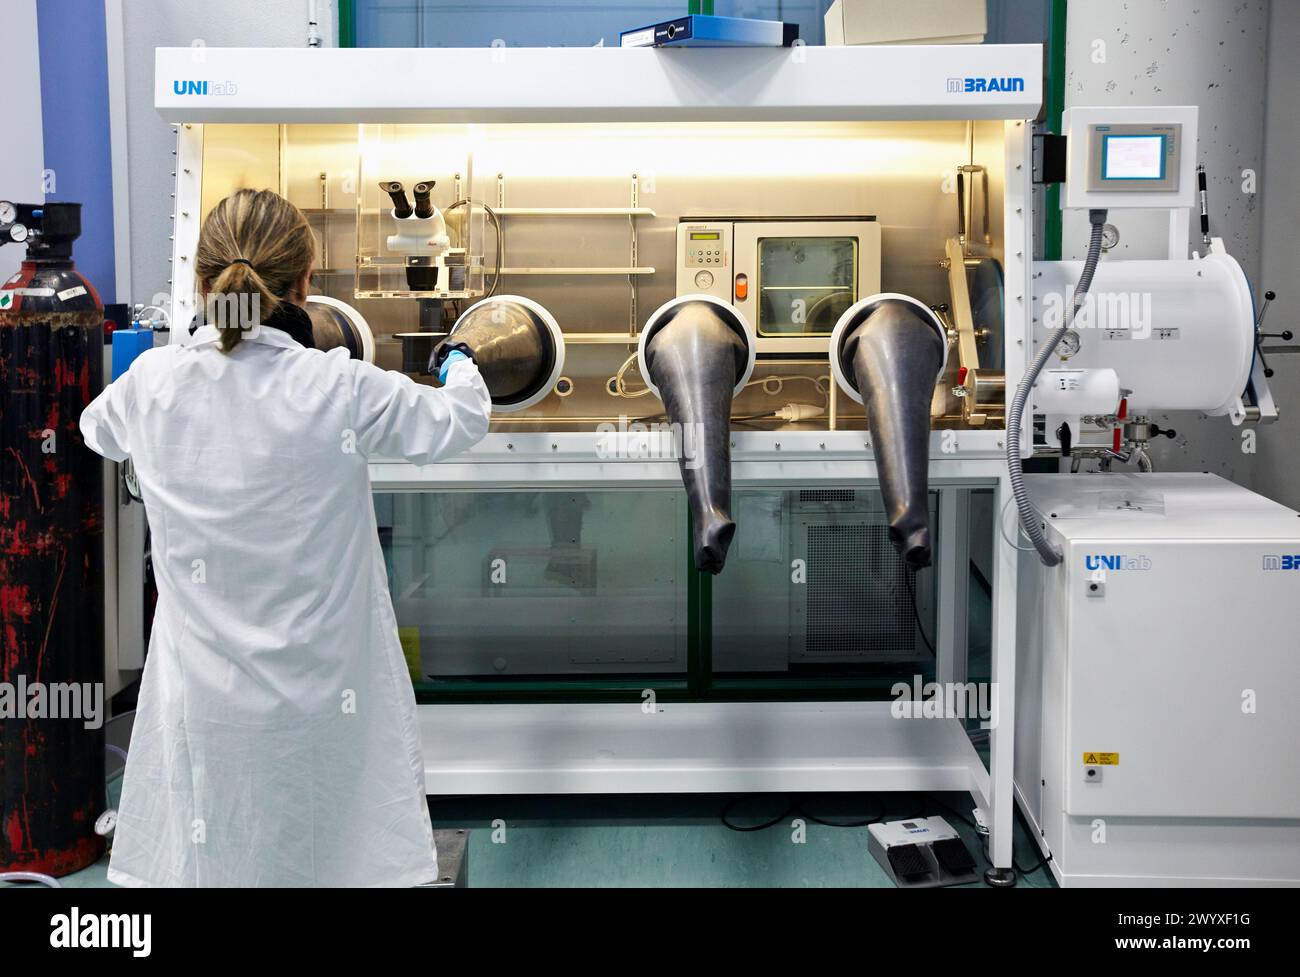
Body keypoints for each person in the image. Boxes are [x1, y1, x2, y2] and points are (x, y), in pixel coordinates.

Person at [80, 188, 491, 887]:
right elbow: (461, 420)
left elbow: (96, 428)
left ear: (202, 285)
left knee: (215, 842)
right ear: (304, 285)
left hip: (205, 698)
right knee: (328, 844)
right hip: (324, 693)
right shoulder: (340, 386)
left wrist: (163, 364)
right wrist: (458, 361)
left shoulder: (151, 386)